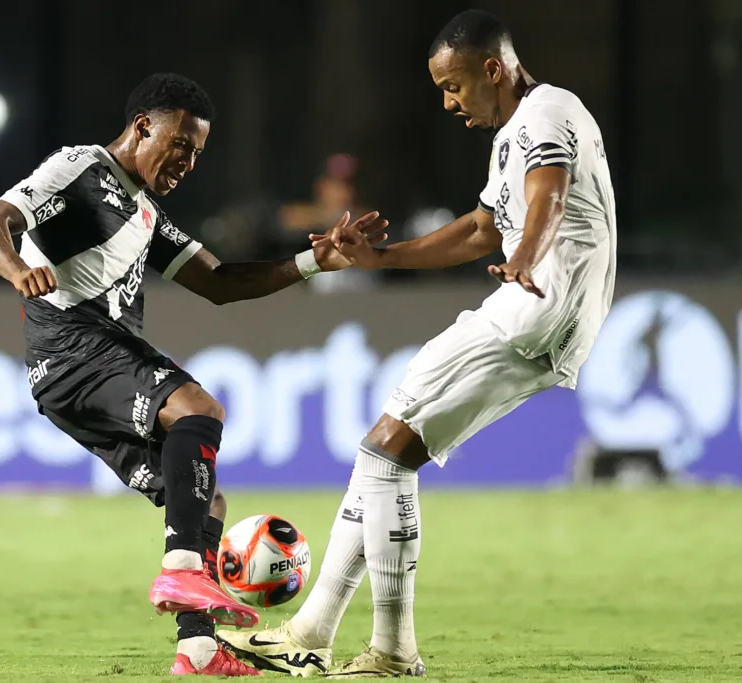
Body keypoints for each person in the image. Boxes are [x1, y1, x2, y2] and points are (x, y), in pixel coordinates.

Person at [219, 9, 617, 678]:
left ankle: (393, 650)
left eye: (454, 85)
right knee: (382, 452)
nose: (448, 102)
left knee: (385, 455)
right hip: (551, 307)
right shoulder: (515, 133)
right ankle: (312, 632)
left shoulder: (546, 112)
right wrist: (378, 258)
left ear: (494, 69)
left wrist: (529, 255)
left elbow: (549, 193)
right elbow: (477, 232)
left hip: (536, 303)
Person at [0, 72, 387, 677]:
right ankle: (183, 572)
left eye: (198, 153)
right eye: (182, 145)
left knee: (203, 497)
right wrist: (16, 270)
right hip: (75, 349)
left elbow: (219, 283)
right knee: (200, 409)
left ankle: (198, 650)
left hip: (79, 372)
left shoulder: (144, 213)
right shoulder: (80, 168)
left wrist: (312, 261)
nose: (189, 162)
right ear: (143, 127)